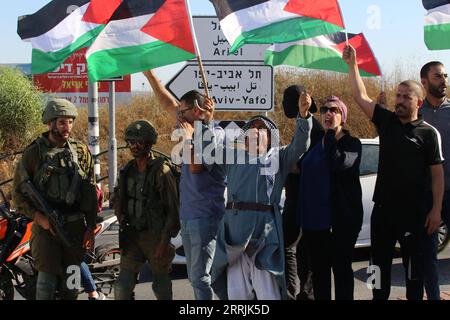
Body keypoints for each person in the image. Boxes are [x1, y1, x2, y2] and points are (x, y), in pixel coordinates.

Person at [343, 45, 445, 300]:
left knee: (414, 275)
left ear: (418, 102)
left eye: (405, 97)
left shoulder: (429, 134)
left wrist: (435, 210)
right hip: (383, 213)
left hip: (416, 215)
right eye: (397, 95)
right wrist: (352, 64)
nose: (398, 100)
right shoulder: (386, 121)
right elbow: (360, 95)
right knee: (378, 268)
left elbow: (437, 176)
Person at [198, 93, 313, 300]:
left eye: (262, 129)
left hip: (265, 236)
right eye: (252, 128)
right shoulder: (232, 155)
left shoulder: (279, 157)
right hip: (235, 235)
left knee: (268, 293)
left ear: (270, 137)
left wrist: (303, 116)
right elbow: (207, 150)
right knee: (237, 295)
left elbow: (301, 145)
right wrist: (206, 121)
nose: (256, 131)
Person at [143, 70, 226, 300]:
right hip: (189, 216)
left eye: (183, 110)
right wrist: (149, 73)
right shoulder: (187, 126)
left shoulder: (214, 134)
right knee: (195, 277)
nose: (177, 114)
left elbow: (197, 166)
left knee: (202, 278)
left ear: (196, 111)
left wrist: (189, 138)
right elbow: (165, 100)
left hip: (206, 216)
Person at [12, 98, 97, 300]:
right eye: (61, 122)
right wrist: (39, 218)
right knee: (46, 283)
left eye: (70, 121)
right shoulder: (34, 153)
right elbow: (18, 194)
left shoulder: (80, 151)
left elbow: (91, 192)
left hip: (75, 228)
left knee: (72, 284)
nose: (67, 127)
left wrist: (90, 227)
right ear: (50, 123)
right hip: (46, 230)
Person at [298, 96, 363, 300]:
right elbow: (302, 165)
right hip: (315, 219)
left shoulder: (352, 143)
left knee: (341, 268)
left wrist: (330, 138)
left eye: (334, 110)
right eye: (325, 109)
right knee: (320, 271)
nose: (328, 113)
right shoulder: (318, 140)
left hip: (342, 219)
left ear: (342, 117)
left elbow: (339, 163)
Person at [113, 120, 180, 300]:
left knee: (161, 285)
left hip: (156, 236)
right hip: (132, 236)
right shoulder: (127, 170)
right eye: (130, 142)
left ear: (149, 144)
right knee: (122, 287)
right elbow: (119, 199)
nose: (134, 146)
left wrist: (164, 241)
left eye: (139, 142)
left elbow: (173, 209)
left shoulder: (161, 171)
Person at [281, 85, 322, 300]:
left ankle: (298, 292)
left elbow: (311, 163)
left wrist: (289, 164)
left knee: (291, 246)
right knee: (298, 247)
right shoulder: (304, 123)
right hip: (297, 199)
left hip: (304, 200)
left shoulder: (313, 126)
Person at [419, 61, 450, 300]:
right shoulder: (416, 114)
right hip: (426, 197)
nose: (444, 81)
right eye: (438, 76)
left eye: (445, 76)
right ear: (424, 82)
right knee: (427, 256)